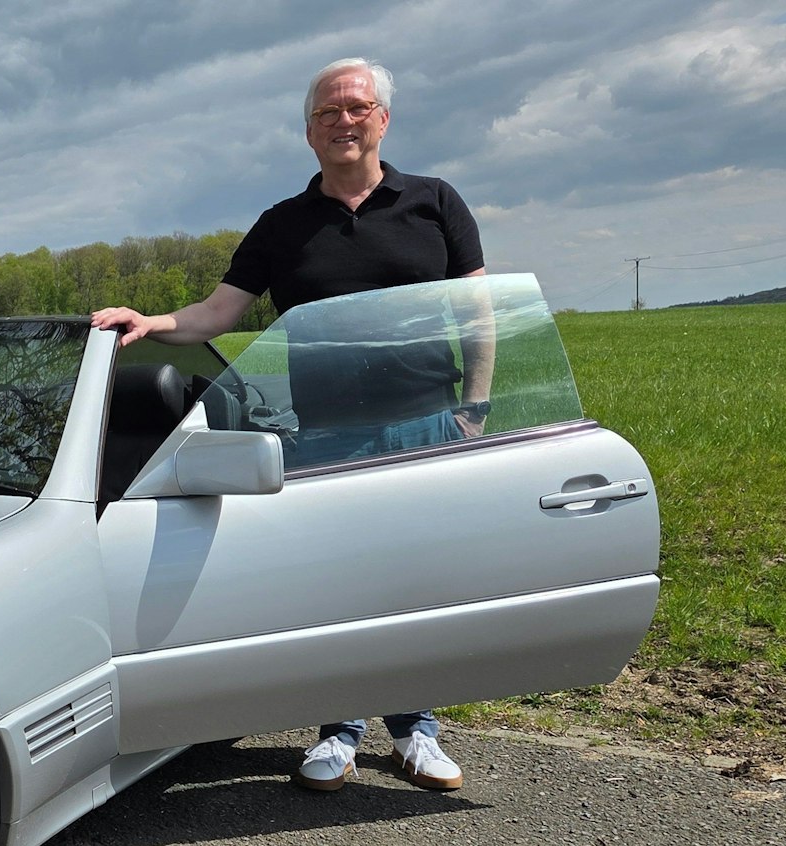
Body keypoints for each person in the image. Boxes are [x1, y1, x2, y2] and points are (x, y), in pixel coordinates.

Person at [91, 57, 491, 794]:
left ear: (383, 119)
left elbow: (477, 310)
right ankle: (336, 729)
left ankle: (415, 729)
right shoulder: (283, 225)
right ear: (308, 131)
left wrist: (475, 406)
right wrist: (151, 321)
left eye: (357, 107)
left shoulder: (435, 202)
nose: (344, 120)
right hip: (329, 432)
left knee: (413, 576)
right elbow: (220, 312)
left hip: (425, 424)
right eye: (328, 112)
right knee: (340, 579)